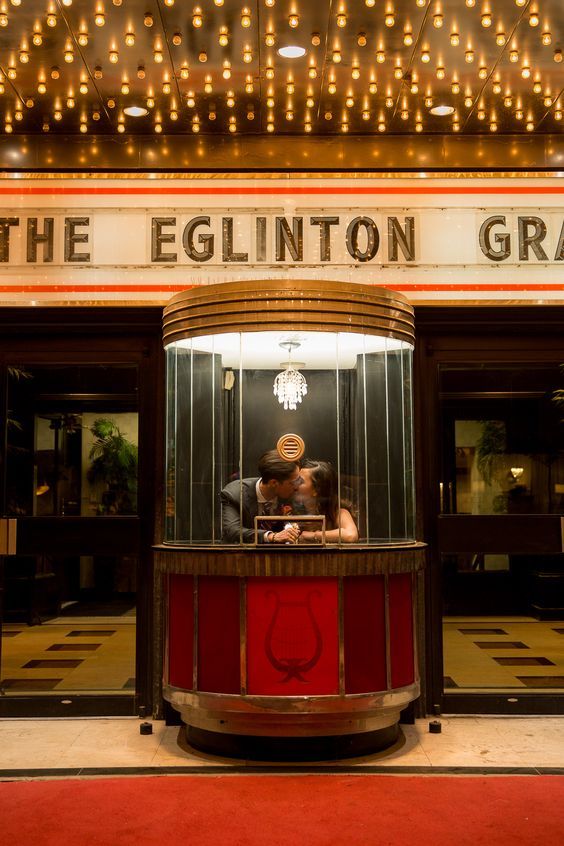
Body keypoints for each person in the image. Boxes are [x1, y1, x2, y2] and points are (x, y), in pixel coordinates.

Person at [221, 450, 302, 544]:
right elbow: (232, 531)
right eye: (294, 482)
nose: (298, 486)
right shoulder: (235, 494)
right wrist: (271, 536)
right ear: (274, 483)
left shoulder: (291, 494)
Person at [293, 459, 359, 543]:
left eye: (300, 481)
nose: (295, 484)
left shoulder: (337, 512)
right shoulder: (296, 511)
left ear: (317, 490)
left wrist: (314, 535)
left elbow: (350, 535)